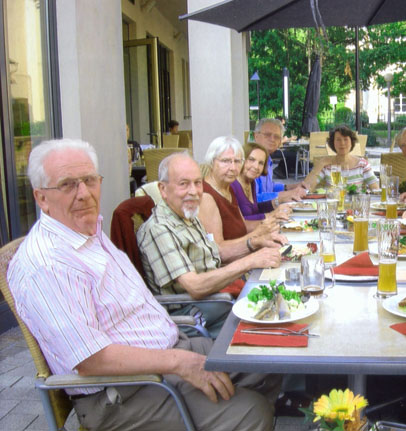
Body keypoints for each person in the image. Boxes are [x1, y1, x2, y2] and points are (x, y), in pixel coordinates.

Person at [7, 139, 278, 431]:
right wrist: (179, 362)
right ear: (41, 198)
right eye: (68, 185)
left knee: (266, 360)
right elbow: (90, 359)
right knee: (252, 412)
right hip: (123, 391)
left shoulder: (88, 234)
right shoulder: (47, 263)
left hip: (170, 346)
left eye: (88, 180)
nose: (84, 193)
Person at [137, 152, 282, 336]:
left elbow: (216, 255)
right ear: (163, 189)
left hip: (215, 297)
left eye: (197, 183)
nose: (194, 191)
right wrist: (251, 261)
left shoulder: (187, 216)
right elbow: (195, 286)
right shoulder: (159, 229)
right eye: (184, 184)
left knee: (279, 297)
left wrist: (255, 244)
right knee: (272, 324)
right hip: (193, 315)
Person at [199, 136, 288, 244]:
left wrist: (267, 227)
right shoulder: (207, 196)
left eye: (237, 161)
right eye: (225, 161)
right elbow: (217, 250)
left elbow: (241, 224)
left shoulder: (227, 187)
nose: (233, 167)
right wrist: (258, 236)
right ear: (211, 162)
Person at [301, 125, 379, 191]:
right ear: (333, 143)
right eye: (338, 140)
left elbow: (375, 190)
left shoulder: (362, 164)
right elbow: (307, 188)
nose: (342, 143)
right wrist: (320, 164)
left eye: (345, 139)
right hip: (332, 206)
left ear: (352, 142)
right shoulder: (327, 165)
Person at [232, 142, 292, 221]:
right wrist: (271, 215)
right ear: (241, 160)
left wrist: (276, 204)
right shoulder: (232, 185)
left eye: (261, 163)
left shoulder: (251, 182)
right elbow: (239, 222)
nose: (256, 166)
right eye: (251, 160)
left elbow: (255, 210)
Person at [254, 118, 307, 203]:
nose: (272, 139)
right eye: (267, 135)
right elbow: (253, 199)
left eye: (277, 137)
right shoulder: (250, 162)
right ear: (256, 136)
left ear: (279, 142)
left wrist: (288, 187)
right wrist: (284, 195)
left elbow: (268, 188)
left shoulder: (268, 160)